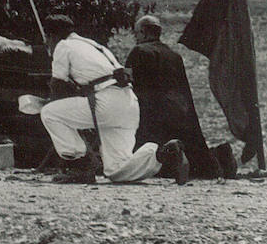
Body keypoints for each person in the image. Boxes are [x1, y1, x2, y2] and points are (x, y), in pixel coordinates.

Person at [38, 14, 188, 185]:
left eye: (47, 38)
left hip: (106, 104)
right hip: (128, 104)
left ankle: (79, 167)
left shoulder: (63, 46)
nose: (47, 42)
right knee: (117, 170)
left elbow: (58, 86)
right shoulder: (95, 46)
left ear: (52, 35)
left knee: (50, 113)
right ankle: (165, 153)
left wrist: (47, 102)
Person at [125, 15, 226, 180]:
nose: (135, 37)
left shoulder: (139, 51)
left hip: (150, 114)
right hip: (178, 114)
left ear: (143, 33)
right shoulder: (174, 55)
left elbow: (127, 80)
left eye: (136, 33)